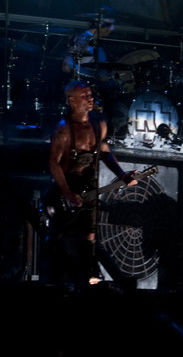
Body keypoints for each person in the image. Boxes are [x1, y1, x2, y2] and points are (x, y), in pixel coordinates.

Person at [46, 80, 138, 288]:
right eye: (84, 95)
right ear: (72, 101)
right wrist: (68, 193)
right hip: (65, 189)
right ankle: (55, 280)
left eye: (90, 94)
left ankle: (92, 276)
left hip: (88, 187)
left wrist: (122, 175)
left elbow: (105, 152)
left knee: (90, 234)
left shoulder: (99, 124)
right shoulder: (63, 130)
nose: (90, 98)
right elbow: (53, 163)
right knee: (60, 235)